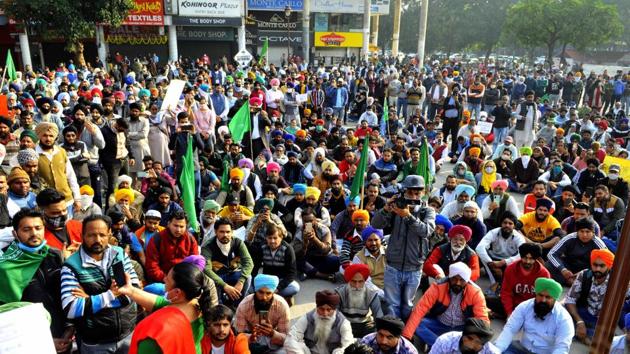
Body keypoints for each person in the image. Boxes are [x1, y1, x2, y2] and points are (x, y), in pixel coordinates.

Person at [60, 214, 141, 354]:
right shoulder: (71, 266)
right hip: (95, 342)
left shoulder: (119, 255)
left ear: (109, 233)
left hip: (128, 334)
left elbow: (134, 292)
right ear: (82, 235)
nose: (97, 240)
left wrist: (90, 299)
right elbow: (71, 308)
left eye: (102, 235)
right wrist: (111, 294)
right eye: (91, 235)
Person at [0, 208, 73, 353]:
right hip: (28, 341)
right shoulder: (5, 268)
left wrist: (69, 329)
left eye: (38, 228)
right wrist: (43, 340)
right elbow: (6, 314)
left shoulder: (54, 254)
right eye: (26, 229)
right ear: (15, 233)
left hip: (64, 336)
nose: (34, 233)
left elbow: (68, 293)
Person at [371, 175, 436, 320]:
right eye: (410, 192)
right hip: (393, 265)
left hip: (414, 267)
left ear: (423, 192)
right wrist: (386, 209)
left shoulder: (427, 211)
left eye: (417, 192)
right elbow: (375, 225)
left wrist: (408, 216)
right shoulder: (396, 207)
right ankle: (394, 332)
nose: (413, 196)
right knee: (392, 304)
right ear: (404, 192)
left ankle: (405, 333)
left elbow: (426, 231)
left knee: (407, 305)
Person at [124, 257, 215, 354]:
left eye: (168, 279)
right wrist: (130, 290)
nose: (164, 279)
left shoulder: (155, 331)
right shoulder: (200, 306)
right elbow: (157, 302)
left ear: (177, 292)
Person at [402, 262, 489, 347]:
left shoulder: (476, 292)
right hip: (439, 323)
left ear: (466, 280)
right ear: (449, 277)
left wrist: (479, 343)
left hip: (462, 328)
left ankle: (436, 344)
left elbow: (482, 319)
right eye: (454, 279)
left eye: (461, 280)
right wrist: (406, 337)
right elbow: (420, 310)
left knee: (474, 336)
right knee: (417, 324)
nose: (457, 283)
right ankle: (446, 346)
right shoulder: (437, 286)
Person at [494, 278, 574, 354]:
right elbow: (510, 329)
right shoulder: (524, 306)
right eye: (540, 295)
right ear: (536, 294)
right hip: (521, 349)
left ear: (555, 299)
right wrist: (497, 350)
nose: (543, 300)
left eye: (548, 297)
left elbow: (561, 348)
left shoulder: (564, 319)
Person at [564, 249, 621, 345]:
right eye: (595, 265)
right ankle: (581, 333)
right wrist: (579, 322)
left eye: (602, 266)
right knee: (561, 310)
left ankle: (583, 336)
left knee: (605, 343)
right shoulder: (585, 275)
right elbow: (570, 299)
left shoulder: (617, 279)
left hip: (602, 320)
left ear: (609, 265)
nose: (597, 269)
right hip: (584, 312)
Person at [202, 218, 253, 307]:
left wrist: (241, 281)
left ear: (232, 232)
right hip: (217, 276)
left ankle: (237, 305)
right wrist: (225, 286)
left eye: (228, 232)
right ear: (216, 231)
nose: (225, 235)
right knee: (211, 281)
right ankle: (219, 307)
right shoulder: (207, 246)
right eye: (222, 232)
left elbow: (249, 262)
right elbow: (206, 269)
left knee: (247, 277)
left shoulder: (238, 242)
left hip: (233, 273)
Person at [234, 274, 291, 353]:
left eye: (268, 293)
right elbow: (238, 336)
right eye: (260, 292)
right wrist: (251, 337)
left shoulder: (282, 306)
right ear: (255, 291)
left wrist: (272, 333)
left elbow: (287, 339)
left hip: (273, 343)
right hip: (251, 343)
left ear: (273, 293)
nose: (264, 297)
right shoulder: (244, 305)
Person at [285, 290, 354, 354]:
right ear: (317, 307)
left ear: (334, 309)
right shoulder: (308, 317)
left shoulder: (343, 323)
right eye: (321, 309)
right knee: (290, 343)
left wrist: (339, 351)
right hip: (309, 352)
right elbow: (292, 337)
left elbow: (348, 345)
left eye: (329, 310)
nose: (325, 314)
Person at [496, 243, 551, 319]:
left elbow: (543, 298)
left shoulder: (544, 274)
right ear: (521, 256)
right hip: (514, 304)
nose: (527, 261)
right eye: (525, 258)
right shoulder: (510, 269)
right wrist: (509, 313)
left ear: (536, 259)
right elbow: (506, 292)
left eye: (531, 259)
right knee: (489, 301)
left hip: (532, 307)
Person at [35, 122, 81, 211]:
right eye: (45, 135)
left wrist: (77, 198)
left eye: (51, 136)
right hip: (46, 203)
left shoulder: (61, 151)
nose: (48, 139)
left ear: (55, 137)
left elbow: (71, 176)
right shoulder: (34, 153)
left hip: (67, 200)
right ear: (39, 136)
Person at [145, 210, 199, 283]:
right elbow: (152, 267)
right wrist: (166, 279)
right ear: (168, 224)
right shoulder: (157, 239)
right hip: (162, 280)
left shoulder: (190, 239)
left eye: (181, 226)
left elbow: (195, 262)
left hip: (185, 279)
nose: (178, 230)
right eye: (175, 226)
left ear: (186, 226)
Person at [475, 212, 526, 286]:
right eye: (505, 223)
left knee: (523, 257)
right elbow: (479, 248)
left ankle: (503, 278)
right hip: (493, 260)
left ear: (514, 226)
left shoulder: (518, 237)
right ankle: (493, 279)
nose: (507, 225)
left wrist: (504, 262)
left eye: (510, 223)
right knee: (478, 255)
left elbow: (523, 253)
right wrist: (490, 263)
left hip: (509, 262)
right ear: (501, 224)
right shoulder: (493, 232)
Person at [335, 263, 385, 338]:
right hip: (345, 323)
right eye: (353, 281)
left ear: (365, 281)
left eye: (360, 282)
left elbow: (378, 315)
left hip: (364, 324)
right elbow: (335, 314)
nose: (357, 286)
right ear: (348, 280)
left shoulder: (371, 293)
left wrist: (378, 325)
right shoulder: (339, 292)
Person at [294, 207, 340, 281]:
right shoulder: (299, 231)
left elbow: (327, 250)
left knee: (335, 261)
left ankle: (309, 272)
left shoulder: (324, 229)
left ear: (315, 219)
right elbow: (297, 254)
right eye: (305, 221)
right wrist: (305, 244)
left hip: (322, 257)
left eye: (311, 221)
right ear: (302, 221)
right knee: (296, 261)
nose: (308, 224)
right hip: (308, 258)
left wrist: (314, 239)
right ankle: (324, 275)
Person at [259, 224, 300, 304]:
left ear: (281, 238)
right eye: (269, 238)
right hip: (267, 280)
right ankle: (279, 298)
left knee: (295, 287)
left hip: (281, 280)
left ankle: (269, 296)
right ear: (266, 238)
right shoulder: (262, 247)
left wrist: (278, 288)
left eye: (275, 238)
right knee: (250, 286)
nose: (272, 241)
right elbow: (255, 267)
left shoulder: (287, 249)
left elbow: (292, 274)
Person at [36, 188, 83, 257]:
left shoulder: (78, 226)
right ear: (42, 212)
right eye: (55, 213)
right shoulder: (39, 237)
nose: (63, 214)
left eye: (64, 210)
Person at [429, 318, 500, 354]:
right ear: (463, 335)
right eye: (469, 338)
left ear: (484, 344)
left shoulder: (492, 352)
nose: (471, 345)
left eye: (478, 342)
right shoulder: (444, 341)